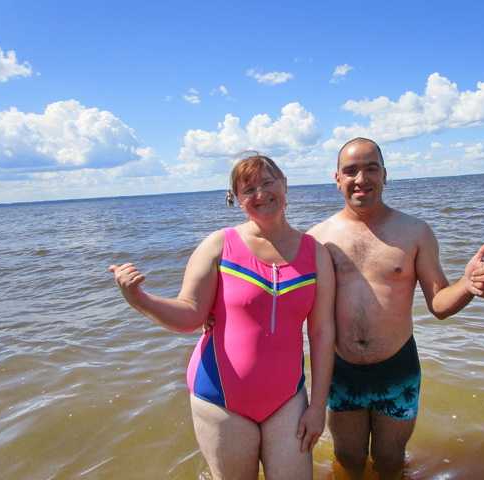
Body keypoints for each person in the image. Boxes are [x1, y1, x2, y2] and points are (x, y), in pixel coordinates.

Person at [109, 154, 335, 480]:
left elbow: (322, 333)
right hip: (220, 399)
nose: (260, 194)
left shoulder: (316, 253)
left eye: (268, 182)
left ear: (285, 184)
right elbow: (190, 314)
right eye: (249, 189)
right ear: (236, 198)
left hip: (288, 399)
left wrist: (317, 406)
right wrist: (139, 299)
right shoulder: (219, 245)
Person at [308, 138, 484, 479]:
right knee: (348, 459)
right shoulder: (317, 239)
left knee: (390, 460)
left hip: (397, 367)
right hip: (341, 369)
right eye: (351, 170)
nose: (361, 178)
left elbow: (439, 304)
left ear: (385, 175)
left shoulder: (415, 232)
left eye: (371, 169)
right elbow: (291, 304)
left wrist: (469, 286)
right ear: (337, 178)